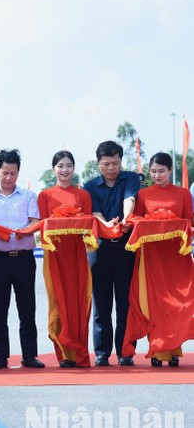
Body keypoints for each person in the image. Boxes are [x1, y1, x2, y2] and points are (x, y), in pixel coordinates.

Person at [123, 152, 194, 367]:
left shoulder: (182, 194)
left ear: (170, 170)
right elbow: (138, 220)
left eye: (161, 171)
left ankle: (173, 350)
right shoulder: (143, 194)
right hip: (151, 257)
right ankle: (157, 349)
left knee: (178, 303)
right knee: (154, 302)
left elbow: (189, 220)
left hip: (176, 256)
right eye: (153, 171)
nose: (156, 175)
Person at [0, 149, 44, 370]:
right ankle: (1, 355)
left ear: (18, 173)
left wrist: (24, 231)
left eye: (13, 173)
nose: (8, 178)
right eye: (4, 173)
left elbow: (35, 221)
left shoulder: (29, 196)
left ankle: (30, 355)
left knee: (27, 308)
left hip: (24, 259)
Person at [83, 140, 140, 366]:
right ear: (98, 163)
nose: (111, 168)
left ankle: (125, 351)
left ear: (120, 161)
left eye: (115, 163)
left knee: (126, 301)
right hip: (100, 249)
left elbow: (130, 198)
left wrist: (126, 219)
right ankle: (102, 352)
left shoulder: (130, 178)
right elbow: (95, 213)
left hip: (126, 247)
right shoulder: (90, 186)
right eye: (106, 164)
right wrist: (106, 225)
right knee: (101, 301)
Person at [37, 151, 93, 368]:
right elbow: (42, 226)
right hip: (55, 255)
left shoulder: (83, 195)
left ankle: (79, 353)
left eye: (68, 165)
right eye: (60, 166)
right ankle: (63, 353)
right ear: (54, 169)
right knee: (57, 301)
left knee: (79, 301)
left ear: (74, 168)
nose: (65, 170)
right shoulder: (45, 196)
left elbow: (88, 226)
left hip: (77, 255)